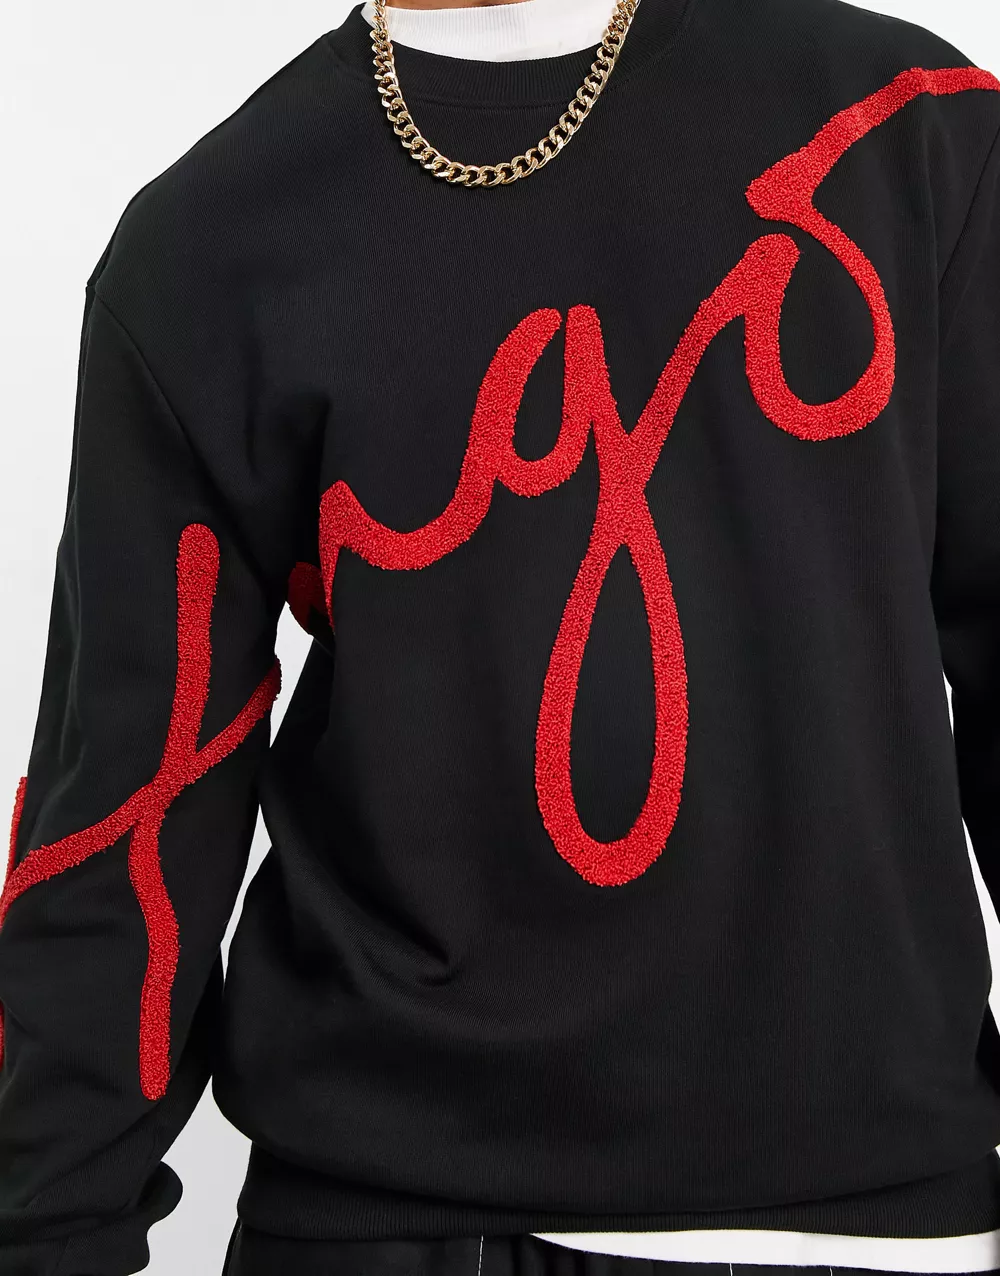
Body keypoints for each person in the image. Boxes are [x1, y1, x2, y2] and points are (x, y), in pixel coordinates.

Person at [3, 0, 1000, 1272]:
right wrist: (49, 1233)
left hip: (883, 1215)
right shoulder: (207, 241)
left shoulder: (902, 128)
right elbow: (124, 821)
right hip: (385, 1216)